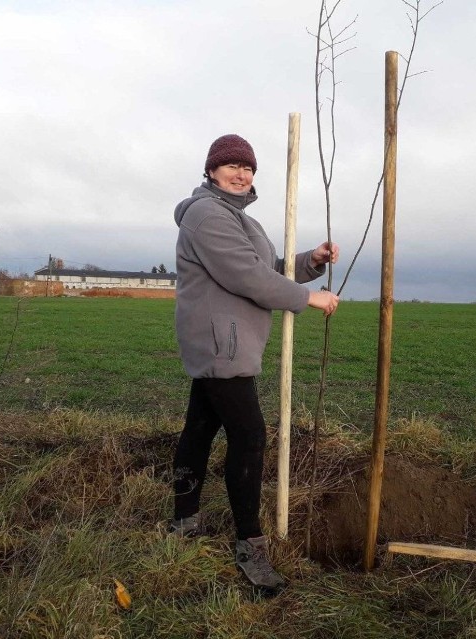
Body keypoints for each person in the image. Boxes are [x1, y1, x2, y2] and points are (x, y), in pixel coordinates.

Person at [170, 134, 340, 592]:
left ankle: (183, 521)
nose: (241, 174)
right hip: (221, 342)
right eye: (231, 166)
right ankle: (250, 546)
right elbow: (248, 277)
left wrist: (310, 262)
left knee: (200, 428)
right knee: (250, 436)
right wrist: (309, 298)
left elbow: (270, 267)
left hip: (226, 341)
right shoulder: (207, 215)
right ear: (211, 171)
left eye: (247, 168)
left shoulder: (239, 220)